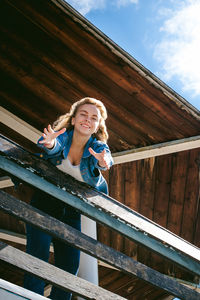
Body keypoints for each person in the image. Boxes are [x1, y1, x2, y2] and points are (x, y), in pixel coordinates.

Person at [24, 97, 113, 300]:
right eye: (83, 114)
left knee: (69, 266)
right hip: (44, 202)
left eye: (94, 117)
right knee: (37, 255)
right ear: (73, 120)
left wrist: (103, 162)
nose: (87, 119)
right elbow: (54, 146)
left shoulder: (98, 147)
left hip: (71, 213)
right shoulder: (63, 136)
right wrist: (50, 143)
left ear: (97, 125)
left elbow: (104, 160)